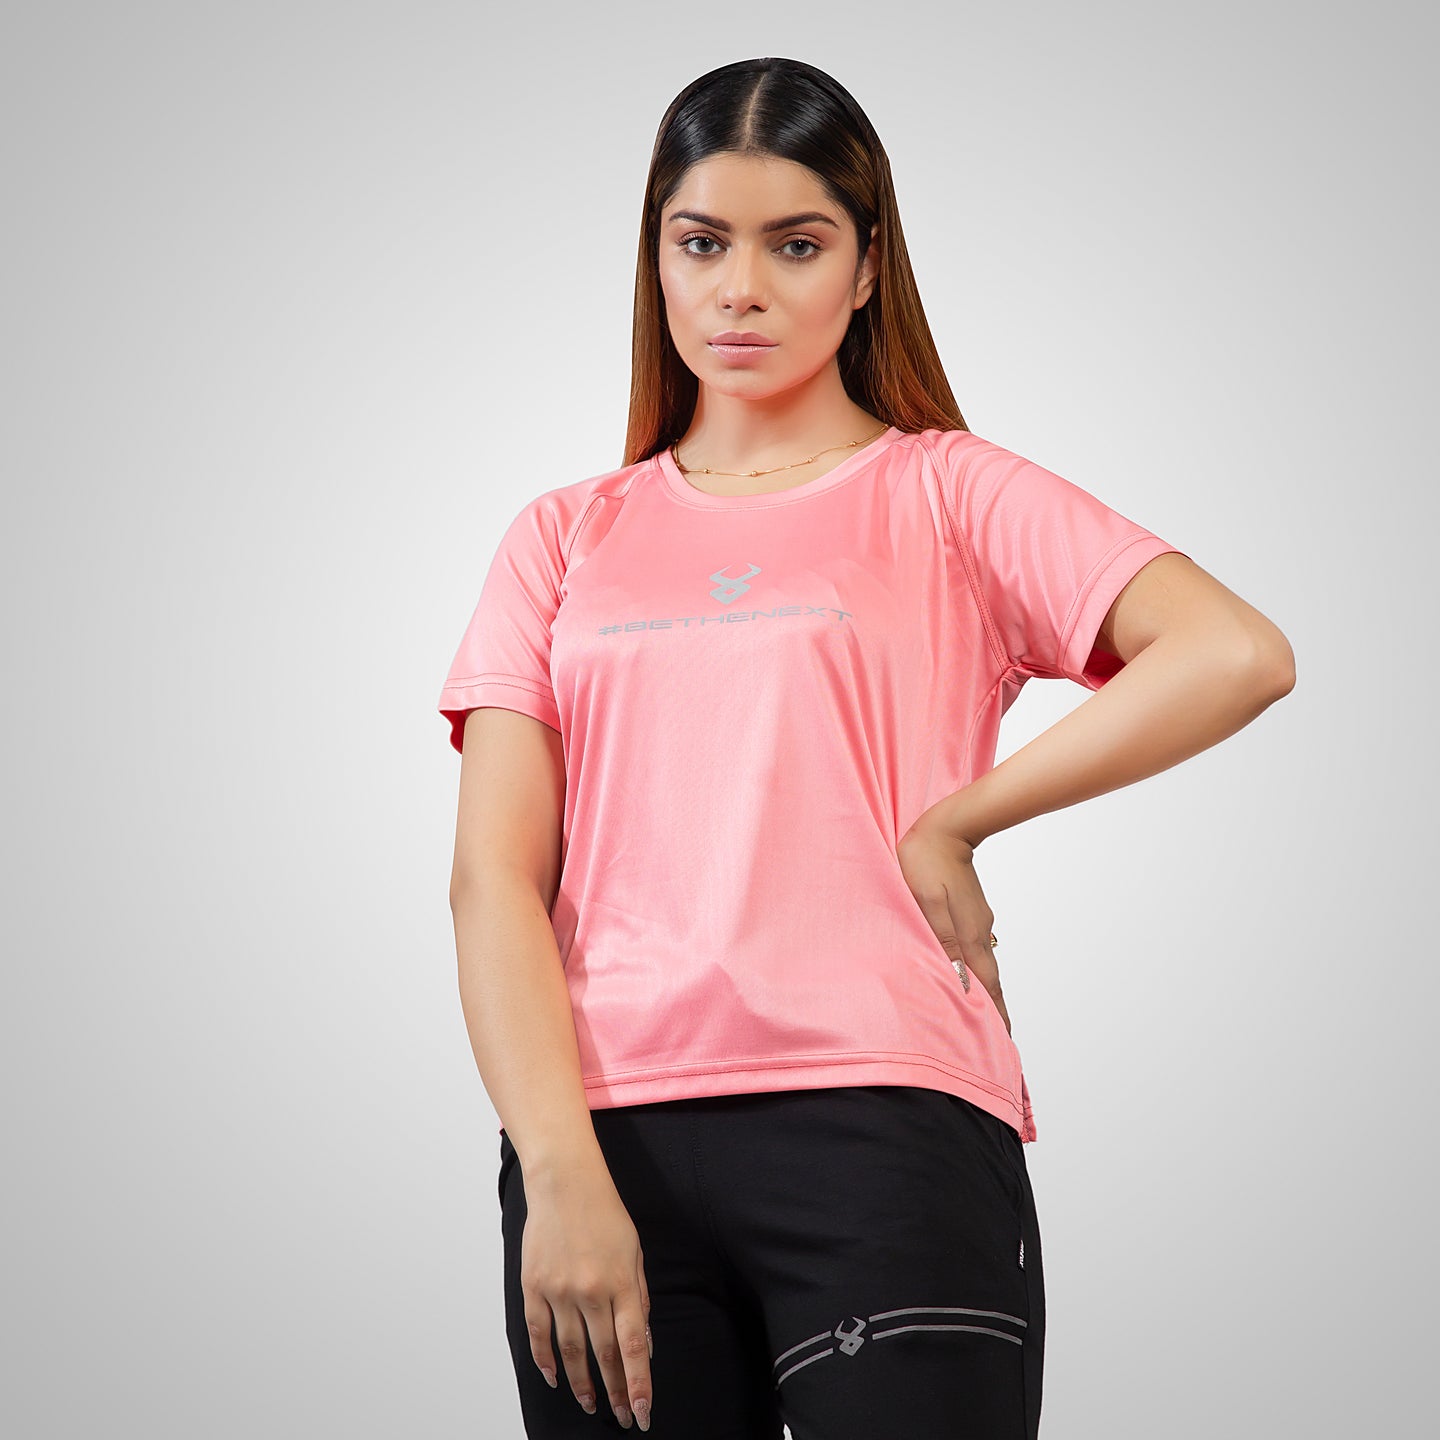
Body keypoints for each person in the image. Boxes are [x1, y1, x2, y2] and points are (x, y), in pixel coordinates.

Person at [438, 56, 1295, 1439]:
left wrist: (959, 818)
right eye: (702, 243)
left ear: (867, 264)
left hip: (884, 1128)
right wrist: (557, 1169)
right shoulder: (564, 536)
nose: (741, 289)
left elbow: (1234, 651)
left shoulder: (950, 493)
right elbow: (493, 879)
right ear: (656, 257)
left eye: (796, 245)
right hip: (600, 1142)